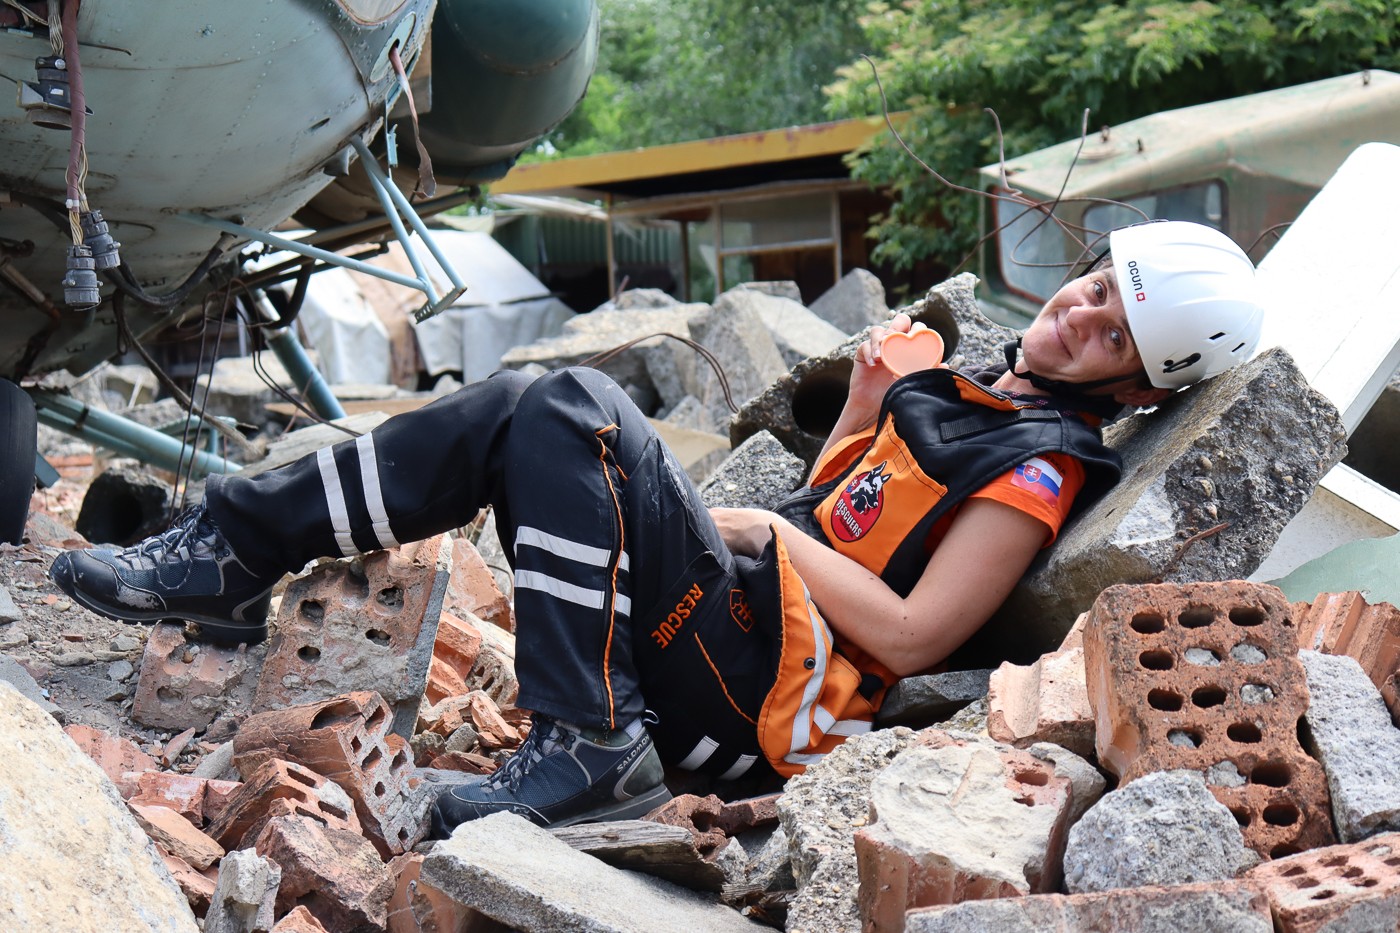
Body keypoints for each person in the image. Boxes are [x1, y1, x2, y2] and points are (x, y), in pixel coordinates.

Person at [50, 220, 1263, 836]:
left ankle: (588, 737)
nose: (1079, 316)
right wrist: (861, 407)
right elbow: (848, 515)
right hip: (732, 635)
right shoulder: (977, 390)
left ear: (1134, 385)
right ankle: (235, 549)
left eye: (1112, 334)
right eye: (1093, 287)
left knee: (568, 404)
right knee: (521, 407)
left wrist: (767, 539)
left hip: (758, 707)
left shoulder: (1041, 469)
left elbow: (908, 633)